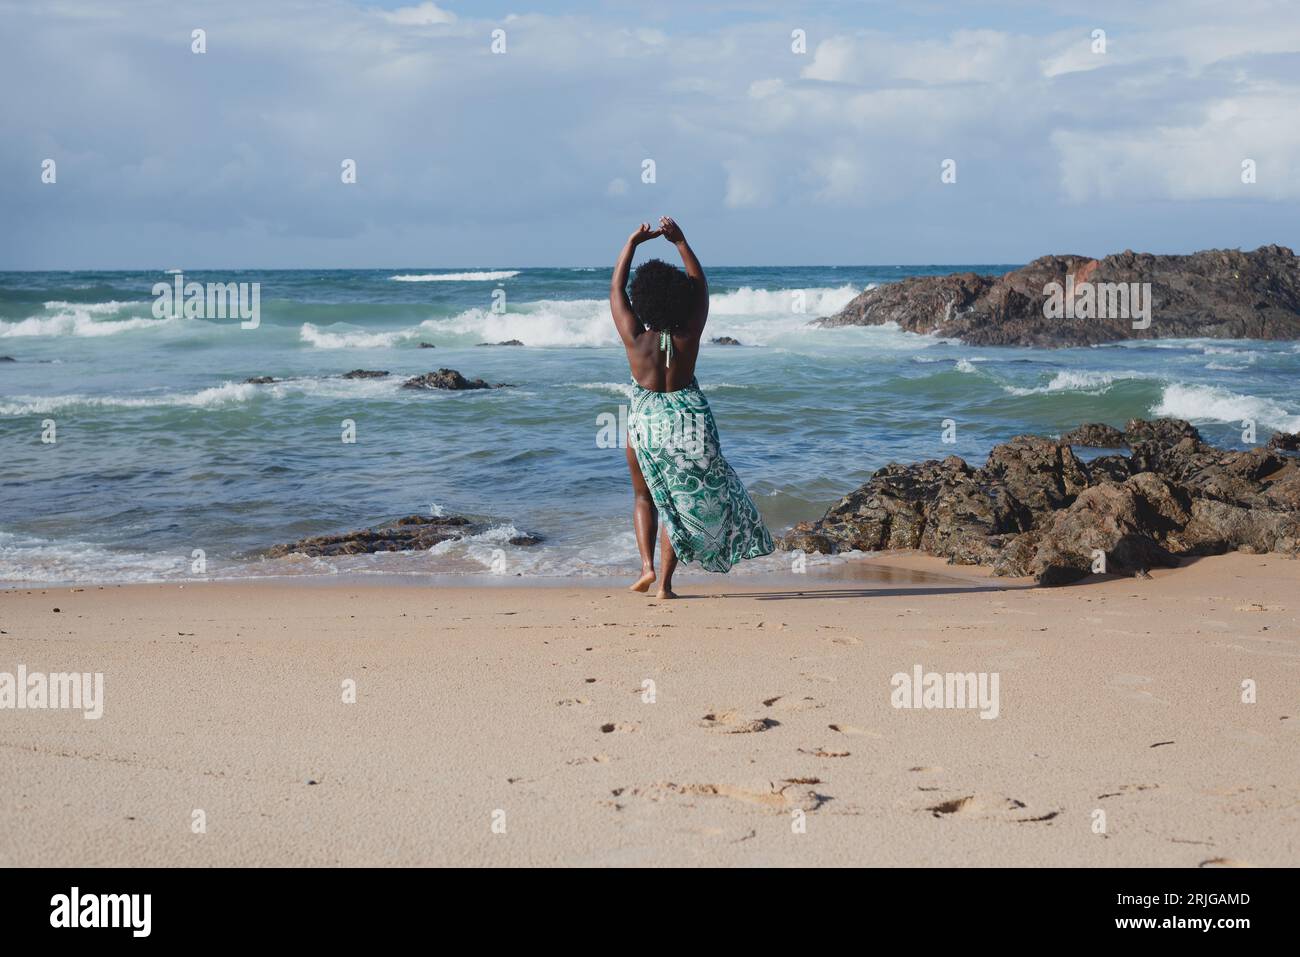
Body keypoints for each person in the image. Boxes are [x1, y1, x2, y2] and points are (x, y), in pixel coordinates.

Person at [609, 216, 774, 598]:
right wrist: (680, 242)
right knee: (679, 502)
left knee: (644, 496)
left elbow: (616, 288)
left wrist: (632, 244)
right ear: (678, 298)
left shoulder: (635, 337)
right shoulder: (689, 334)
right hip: (688, 418)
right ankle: (665, 586)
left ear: (643, 298)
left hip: (646, 420)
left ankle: (646, 567)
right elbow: (701, 287)